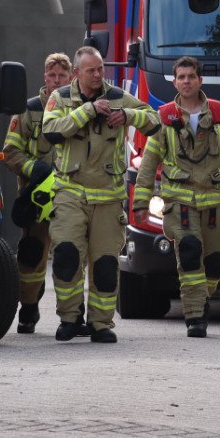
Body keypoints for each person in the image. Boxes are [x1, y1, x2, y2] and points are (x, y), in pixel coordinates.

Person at [132, 56, 220, 337]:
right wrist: (140, 203)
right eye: (181, 77)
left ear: (200, 80)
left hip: (215, 202)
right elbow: (150, 160)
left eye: (191, 76)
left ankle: (202, 298)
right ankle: (195, 317)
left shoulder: (218, 113)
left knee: (214, 264)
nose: (186, 81)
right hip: (180, 203)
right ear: (174, 81)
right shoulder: (165, 116)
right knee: (189, 253)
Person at [41, 45, 157, 343]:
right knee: (67, 256)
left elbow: (154, 120)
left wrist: (127, 115)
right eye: (91, 70)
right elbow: (51, 131)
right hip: (70, 191)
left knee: (105, 263)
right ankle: (69, 319)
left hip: (108, 195)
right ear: (77, 73)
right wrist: (87, 111)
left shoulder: (117, 96)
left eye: (100, 69)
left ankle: (101, 324)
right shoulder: (60, 98)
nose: (97, 74)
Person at [0, 51, 73, 333]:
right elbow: (10, 151)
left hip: (71, 198)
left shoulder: (77, 109)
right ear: (45, 77)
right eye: (52, 75)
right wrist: (34, 169)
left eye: (62, 76)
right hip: (37, 198)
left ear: (71, 77)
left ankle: (72, 316)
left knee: (69, 256)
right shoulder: (28, 109)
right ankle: (28, 308)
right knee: (31, 257)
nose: (56, 81)